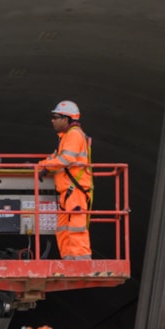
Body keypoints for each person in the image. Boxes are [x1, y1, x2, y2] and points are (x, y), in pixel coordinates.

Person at [37, 100, 93, 259]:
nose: (52, 120)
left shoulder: (74, 135)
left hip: (75, 192)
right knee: (63, 229)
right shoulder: (66, 137)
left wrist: (46, 168)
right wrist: (39, 166)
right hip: (67, 193)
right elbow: (55, 157)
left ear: (66, 119)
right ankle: (69, 262)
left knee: (76, 227)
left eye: (56, 117)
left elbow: (65, 159)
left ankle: (81, 263)